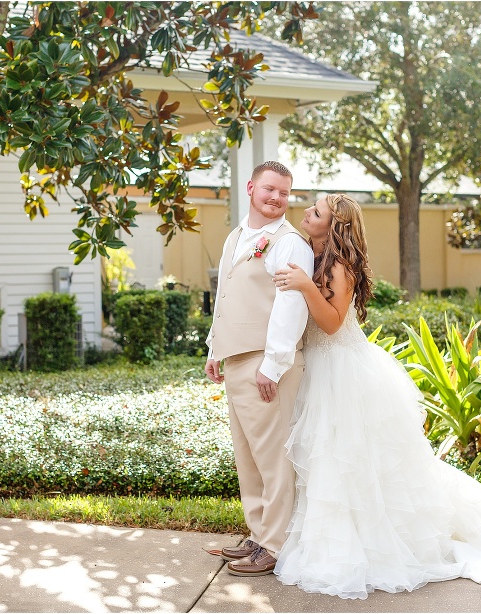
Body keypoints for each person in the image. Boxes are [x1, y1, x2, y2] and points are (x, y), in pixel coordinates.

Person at [270, 193, 481, 599]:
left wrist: (302, 284)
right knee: (328, 460)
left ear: (334, 227)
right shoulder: (309, 254)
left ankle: (367, 546)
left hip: (342, 371)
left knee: (348, 458)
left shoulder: (339, 265)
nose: (306, 213)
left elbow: (332, 324)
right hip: (316, 367)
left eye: (316, 212)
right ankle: (336, 535)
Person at [205, 161, 314, 577]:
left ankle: (275, 544)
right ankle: (257, 534)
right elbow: (226, 296)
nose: (277, 198)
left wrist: (273, 365)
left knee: (274, 458)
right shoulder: (237, 236)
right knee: (248, 456)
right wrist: (215, 348)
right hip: (237, 359)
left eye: (285, 193)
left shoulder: (289, 244)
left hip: (268, 365)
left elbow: (291, 307)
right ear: (251, 187)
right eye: (270, 189)